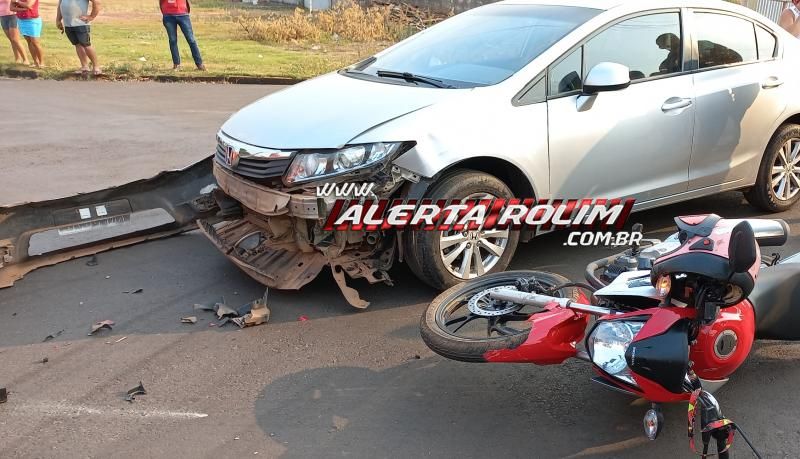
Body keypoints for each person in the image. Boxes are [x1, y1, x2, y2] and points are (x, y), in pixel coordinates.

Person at [56, 0, 101, 75]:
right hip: (68, 24)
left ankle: (96, 67)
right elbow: (60, 5)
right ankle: (84, 67)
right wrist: (58, 20)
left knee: (86, 45)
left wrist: (91, 17)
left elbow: (97, 2)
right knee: (77, 44)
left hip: (81, 23)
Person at [159, 0, 205, 71]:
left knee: (191, 40)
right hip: (168, 15)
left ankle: (200, 64)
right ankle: (176, 64)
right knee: (172, 40)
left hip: (182, 14)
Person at [9, 0, 42, 67]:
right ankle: (36, 62)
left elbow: (28, 5)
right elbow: (12, 8)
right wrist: (24, 9)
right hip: (21, 20)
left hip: (33, 20)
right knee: (29, 42)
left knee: (35, 42)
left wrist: (17, 1)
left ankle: (42, 63)